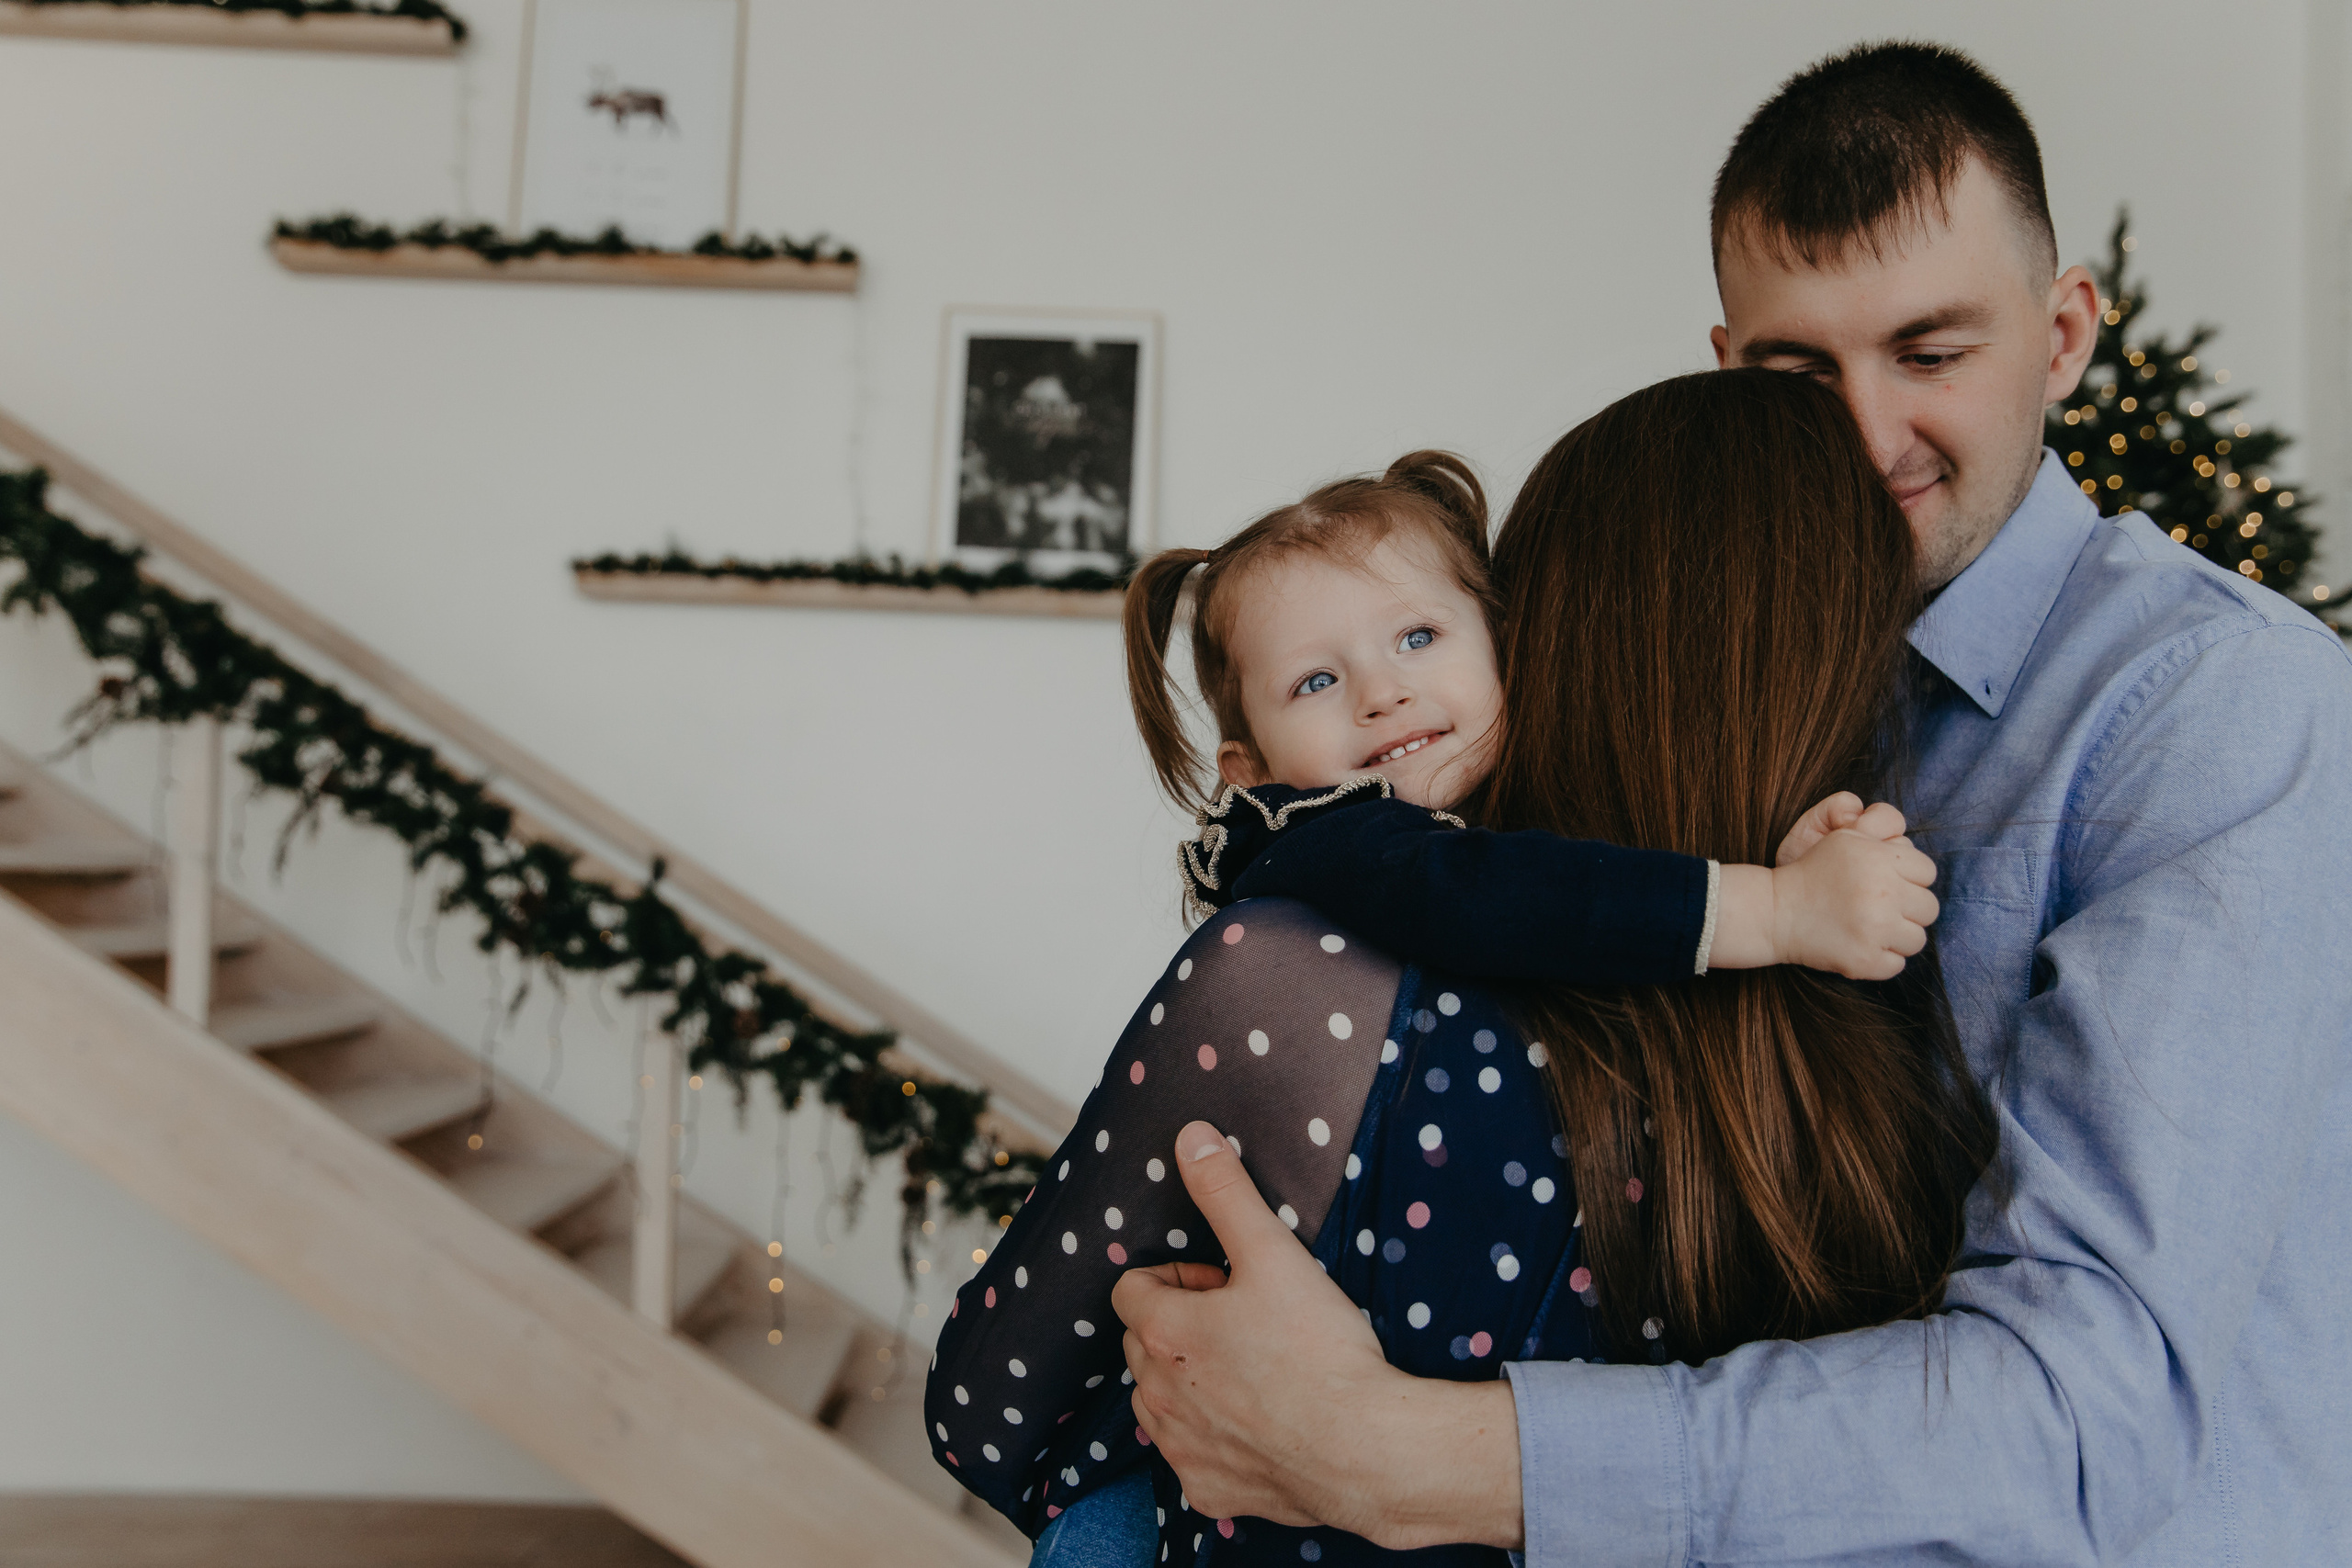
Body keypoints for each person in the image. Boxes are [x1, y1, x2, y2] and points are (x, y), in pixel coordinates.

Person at [1112, 40, 2352, 1566]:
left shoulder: (2218, 711)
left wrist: (1404, 1456)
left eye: (1933, 352)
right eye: (1797, 373)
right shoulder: (1710, 674)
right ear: (1726, 367)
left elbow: (2080, 1417)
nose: (1865, 433)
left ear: (2066, 332)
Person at [923, 373, 1996, 1565]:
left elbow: (991, 1396)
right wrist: (1782, 908)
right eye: (1316, 682)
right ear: (1248, 766)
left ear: (1517, 648)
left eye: (1420, 639)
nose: (1384, 693)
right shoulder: (1346, 856)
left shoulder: (1478, 976)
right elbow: (1486, 900)